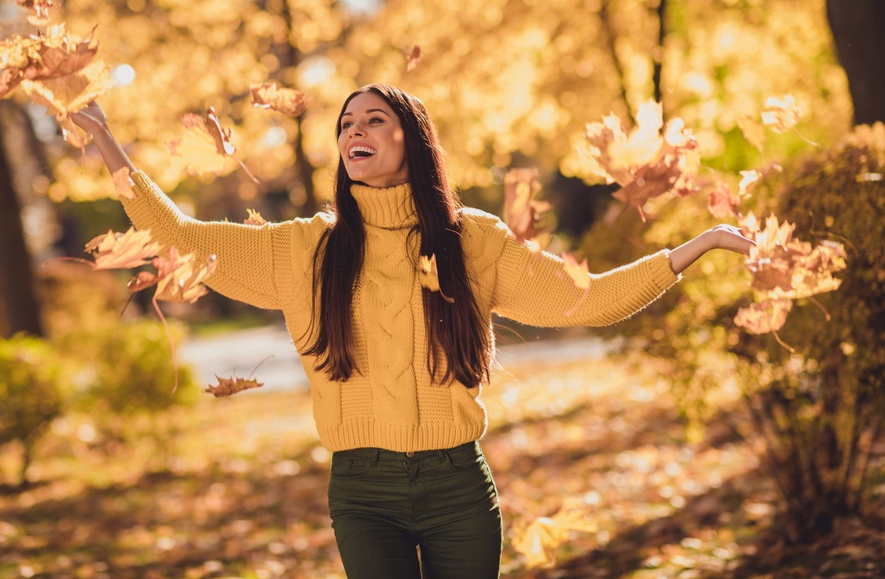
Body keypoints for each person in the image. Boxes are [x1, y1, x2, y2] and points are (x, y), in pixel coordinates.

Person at [71, 83, 753, 579]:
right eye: (345, 124)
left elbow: (590, 301)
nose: (353, 132)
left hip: (458, 486)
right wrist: (105, 137)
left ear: (413, 139)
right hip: (363, 491)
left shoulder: (473, 240)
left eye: (374, 119)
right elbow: (180, 237)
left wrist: (699, 245)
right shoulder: (304, 248)